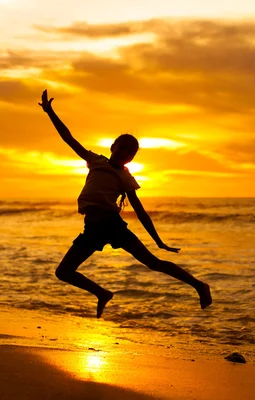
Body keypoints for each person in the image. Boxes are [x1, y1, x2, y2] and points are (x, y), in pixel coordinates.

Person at [39, 90, 212, 318]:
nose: (125, 153)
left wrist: (159, 241)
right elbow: (69, 138)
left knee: (154, 263)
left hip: (113, 226)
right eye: (122, 147)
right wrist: (50, 112)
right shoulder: (95, 160)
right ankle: (102, 293)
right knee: (63, 272)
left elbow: (140, 212)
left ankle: (199, 285)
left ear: (132, 158)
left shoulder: (126, 178)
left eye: (130, 152)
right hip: (92, 229)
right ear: (113, 147)